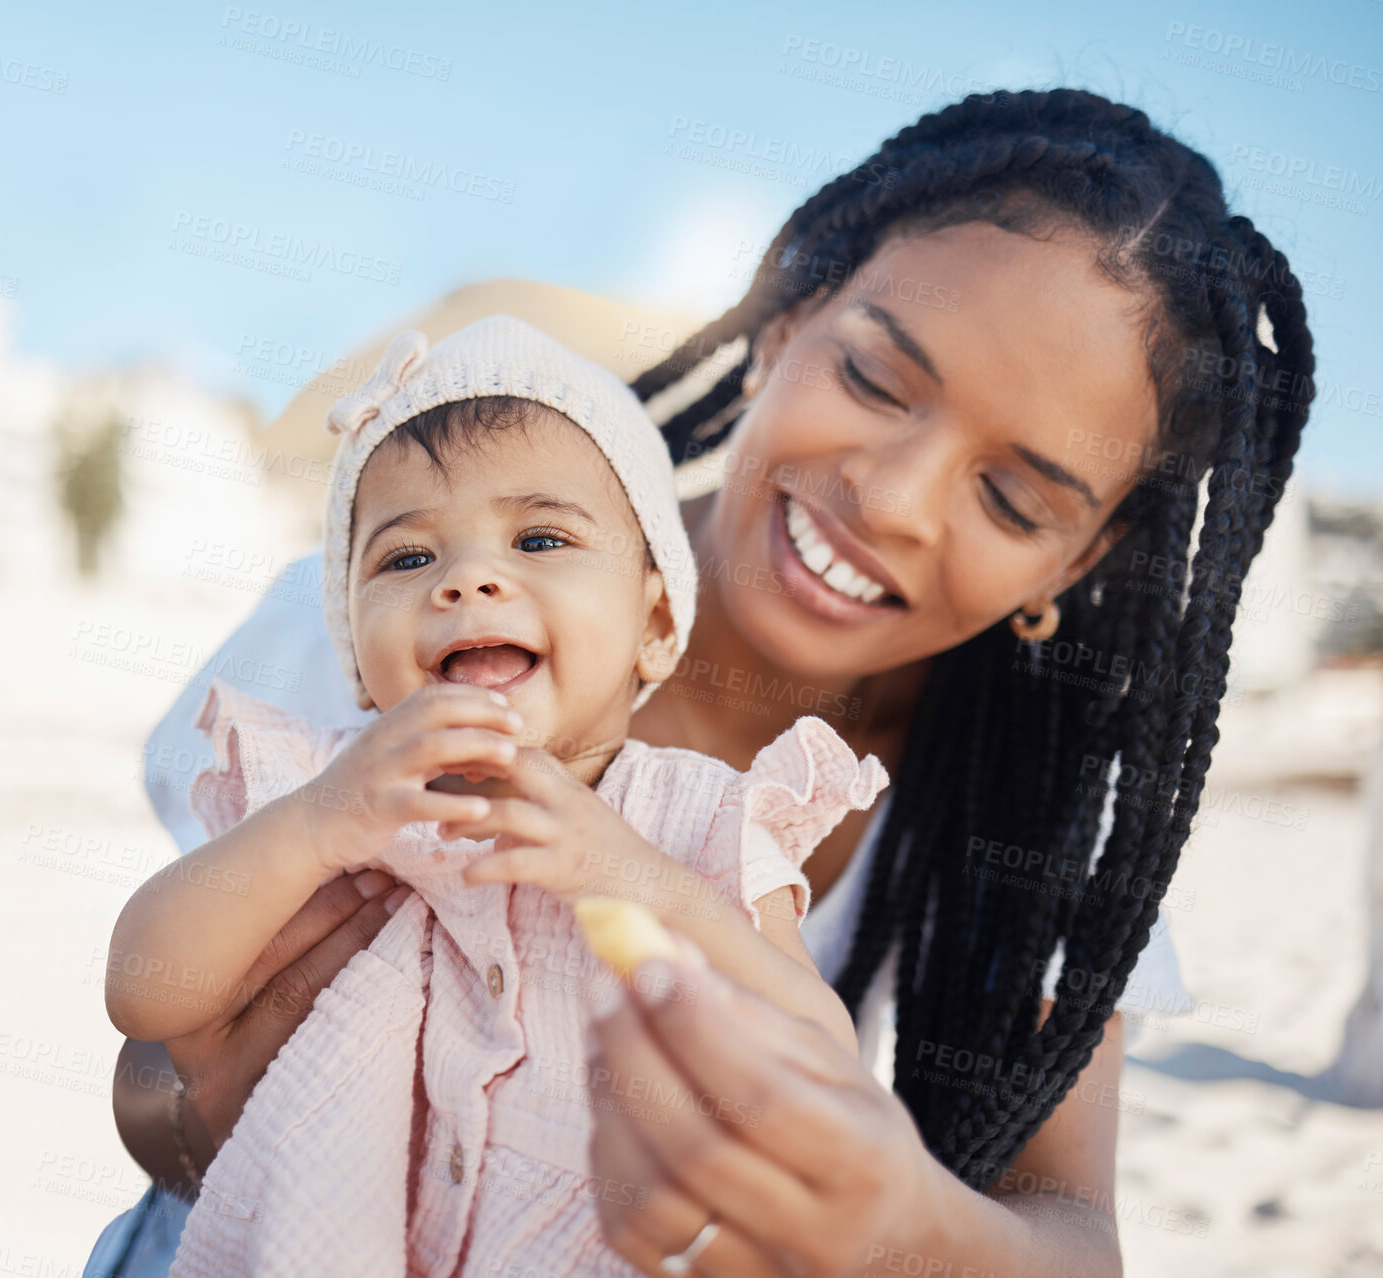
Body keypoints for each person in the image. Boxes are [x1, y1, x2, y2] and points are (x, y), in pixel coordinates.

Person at [88, 88, 1315, 1278]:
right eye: (877, 381)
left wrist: (892, 1230)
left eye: (1012, 498)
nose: (891, 499)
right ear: (786, 319)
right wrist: (210, 1107)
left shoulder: (1037, 811)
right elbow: (154, 1062)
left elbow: (1064, 1228)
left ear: (1078, 557)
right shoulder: (395, 620)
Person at [106, 315, 886, 1275]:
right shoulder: (322, 791)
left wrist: (635, 877)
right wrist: (314, 826)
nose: (469, 579)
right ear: (353, 651)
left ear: (654, 622)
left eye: (540, 538)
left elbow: (821, 1056)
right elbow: (144, 993)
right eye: (406, 558)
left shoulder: (701, 822)